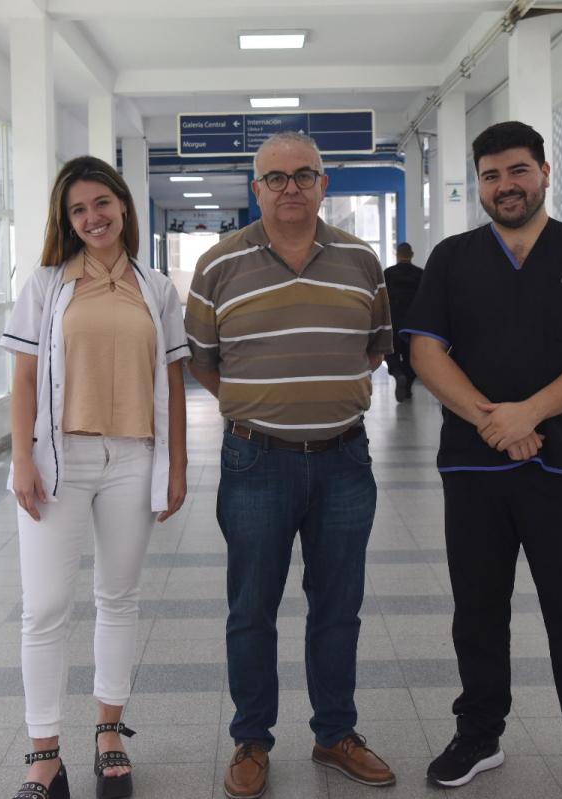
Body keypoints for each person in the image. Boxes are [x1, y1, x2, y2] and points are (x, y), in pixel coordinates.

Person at [404, 121, 562, 796]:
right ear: (478, 184)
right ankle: (478, 733)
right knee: (477, 607)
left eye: (517, 171)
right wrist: (493, 420)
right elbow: (426, 350)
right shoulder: (453, 258)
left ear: (545, 172)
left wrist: (528, 413)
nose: (505, 185)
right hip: (475, 467)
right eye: (491, 175)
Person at [184, 131, 396, 799]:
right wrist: (261, 406)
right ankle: (252, 738)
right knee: (251, 607)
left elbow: (374, 348)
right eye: (275, 178)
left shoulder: (363, 261)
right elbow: (204, 362)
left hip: (344, 460)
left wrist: (319, 395)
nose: (291, 187)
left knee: (339, 608)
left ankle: (335, 733)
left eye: (304, 174)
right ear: (256, 190)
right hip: (256, 460)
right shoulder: (218, 264)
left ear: (324, 184)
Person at [0, 155, 189, 799]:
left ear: (123, 206)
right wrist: (21, 458)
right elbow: (24, 375)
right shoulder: (49, 282)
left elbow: (172, 381)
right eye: (78, 209)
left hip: (133, 460)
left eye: (101, 204)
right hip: (60, 461)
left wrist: (178, 467)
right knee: (45, 608)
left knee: (118, 596)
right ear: (66, 219)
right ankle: (44, 755)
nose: (92, 218)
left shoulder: (156, 288)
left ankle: (110, 734)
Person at [383, 242, 424, 401]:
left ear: (397, 255)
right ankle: (407, 388)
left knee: (391, 354)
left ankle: (398, 374)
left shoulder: (388, 274)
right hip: (414, 325)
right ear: (412, 254)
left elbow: (381, 299)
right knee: (411, 357)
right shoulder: (421, 274)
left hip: (393, 322)